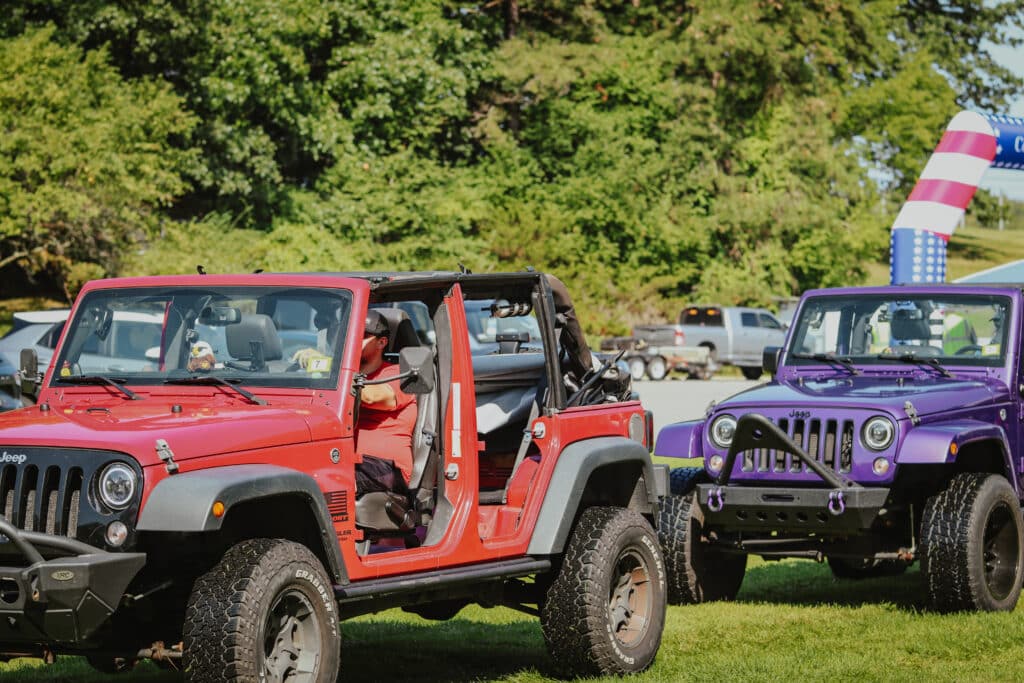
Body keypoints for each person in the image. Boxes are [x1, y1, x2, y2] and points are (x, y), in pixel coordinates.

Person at [353, 309, 417, 497]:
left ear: (382, 342)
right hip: (347, 460)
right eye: (351, 335)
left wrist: (330, 374)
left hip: (388, 469)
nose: (354, 341)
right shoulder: (348, 375)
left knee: (333, 480)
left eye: (362, 336)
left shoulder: (400, 374)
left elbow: (373, 396)